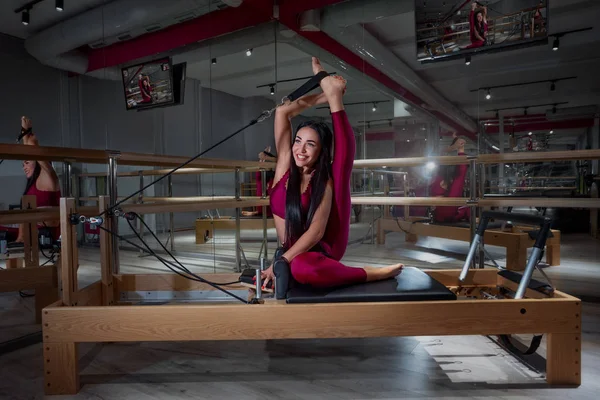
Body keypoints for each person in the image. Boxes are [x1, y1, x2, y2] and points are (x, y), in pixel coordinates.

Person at [260, 57, 403, 290]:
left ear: (320, 151)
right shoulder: (285, 166)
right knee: (297, 266)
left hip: (324, 247)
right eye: (298, 141)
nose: (301, 150)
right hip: (294, 251)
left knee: (301, 267)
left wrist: (282, 260)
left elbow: (316, 232)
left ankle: (370, 273)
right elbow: (282, 112)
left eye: (311, 144)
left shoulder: (323, 181)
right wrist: (321, 94)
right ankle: (332, 95)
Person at [0, 116, 61, 243]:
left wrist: (28, 134)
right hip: (31, 226)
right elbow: (28, 150)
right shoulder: (34, 182)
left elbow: (33, 148)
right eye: (23, 164)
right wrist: (25, 131)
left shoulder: (49, 177)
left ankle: (20, 240)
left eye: (26, 163)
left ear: (37, 162)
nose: (24, 167)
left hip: (43, 231)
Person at [430, 135, 470, 223]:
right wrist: (458, 148)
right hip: (444, 215)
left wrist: (457, 148)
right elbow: (462, 168)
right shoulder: (441, 178)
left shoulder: (438, 178)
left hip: (441, 216)